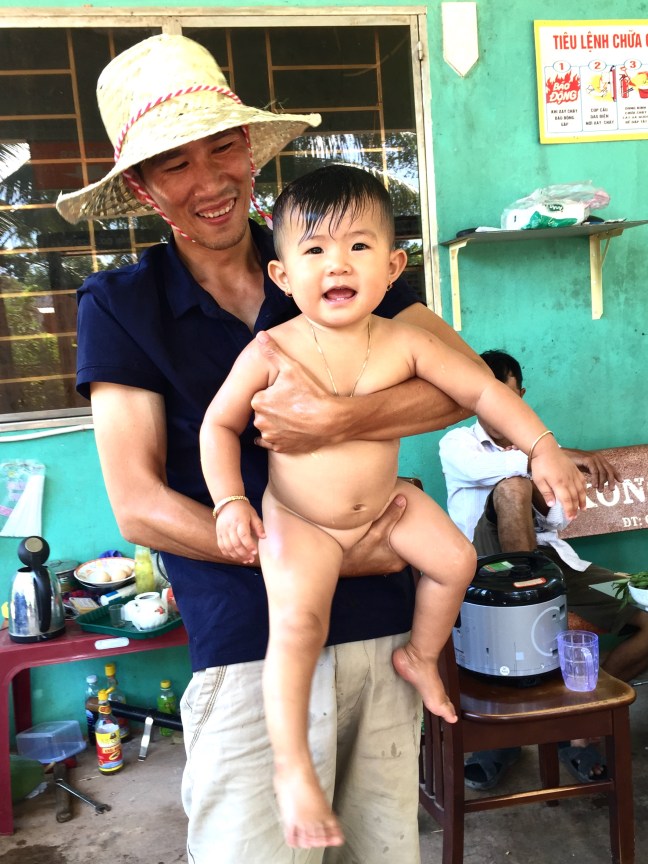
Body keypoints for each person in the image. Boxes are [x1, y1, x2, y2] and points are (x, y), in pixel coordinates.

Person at [55, 32, 494, 864]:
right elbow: (140, 506)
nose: (210, 180)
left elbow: (460, 383)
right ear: (144, 188)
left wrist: (337, 423)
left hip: (382, 630)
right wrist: (314, 556)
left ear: (251, 156)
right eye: (175, 164)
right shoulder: (122, 304)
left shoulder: (331, 253)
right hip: (251, 637)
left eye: (224, 149)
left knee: (381, 850)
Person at [200, 166, 586, 848]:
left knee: (458, 560)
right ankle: (292, 768)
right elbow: (217, 426)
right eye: (314, 251)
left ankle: (420, 654)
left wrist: (543, 449)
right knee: (298, 625)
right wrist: (231, 499)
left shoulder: (406, 342)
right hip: (302, 520)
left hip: (386, 507)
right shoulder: (270, 351)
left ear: (393, 266)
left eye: (357, 247)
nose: (336, 264)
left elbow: (486, 395)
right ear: (283, 277)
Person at [439, 348, 648, 789]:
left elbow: (555, 521)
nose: (499, 412)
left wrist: (546, 462)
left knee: (646, 616)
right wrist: (554, 455)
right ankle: (507, 736)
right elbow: (506, 473)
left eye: (509, 399)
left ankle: (579, 720)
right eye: (487, 399)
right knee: (513, 487)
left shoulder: (537, 450)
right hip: (485, 568)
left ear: (522, 398)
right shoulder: (457, 442)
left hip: (552, 563)